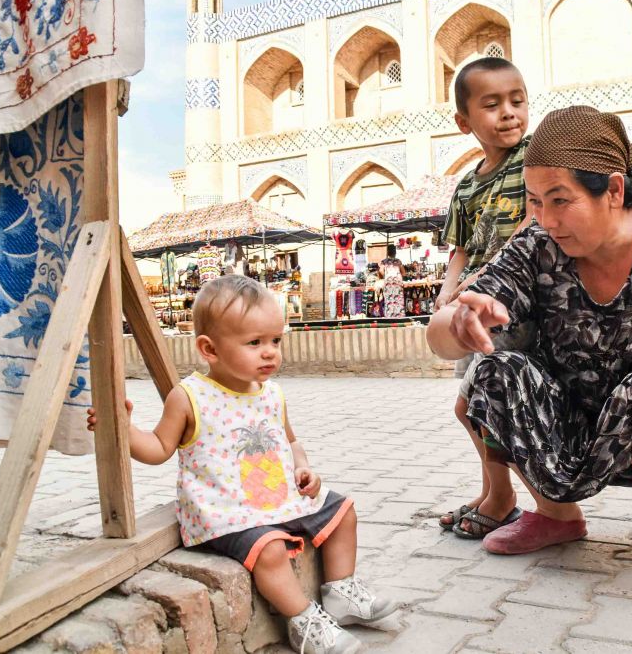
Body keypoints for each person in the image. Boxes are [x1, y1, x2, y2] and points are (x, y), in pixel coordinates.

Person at [427, 106, 632, 587]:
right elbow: (444, 332)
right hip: (570, 421)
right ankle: (556, 515)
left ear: (614, 190)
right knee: (493, 372)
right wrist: (461, 321)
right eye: (535, 201)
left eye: (560, 200)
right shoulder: (537, 245)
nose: (546, 219)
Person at [86, 276, 394, 654]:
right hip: (226, 512)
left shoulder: (272, 394)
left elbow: (291, 441)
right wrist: (122, 428)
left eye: (276, 341)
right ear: (209, 349)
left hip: (277, 496)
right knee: (271, 551)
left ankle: (341, 591)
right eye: (255, 343)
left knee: (343, 511)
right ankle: (304, 620)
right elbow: (158, 448)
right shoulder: (189, 397)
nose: (270, 353)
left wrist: (304, 468)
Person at [431, 57, 536, 535]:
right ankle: (496, 493)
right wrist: (447, 295)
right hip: (473, 310)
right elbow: (462, 248)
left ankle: (508, 498)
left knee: (480, 402)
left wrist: (494, 276)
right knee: (471, 404)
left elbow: (535, 226)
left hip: (515, 304)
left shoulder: (536, 158)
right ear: (464, 121)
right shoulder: (468, 185)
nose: (509, 113)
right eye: (492, 105)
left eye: (517, 101)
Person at [379, 244, 407, 318]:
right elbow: (404, 273)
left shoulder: (384, 262)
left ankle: (389, 316)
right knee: (398, 299)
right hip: (397, 281)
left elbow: (381, 271)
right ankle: (399, 316)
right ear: (395, 252)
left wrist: (386, 275)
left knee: (389, 300)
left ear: (387, 252)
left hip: (388, 281)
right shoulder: (398, 261)